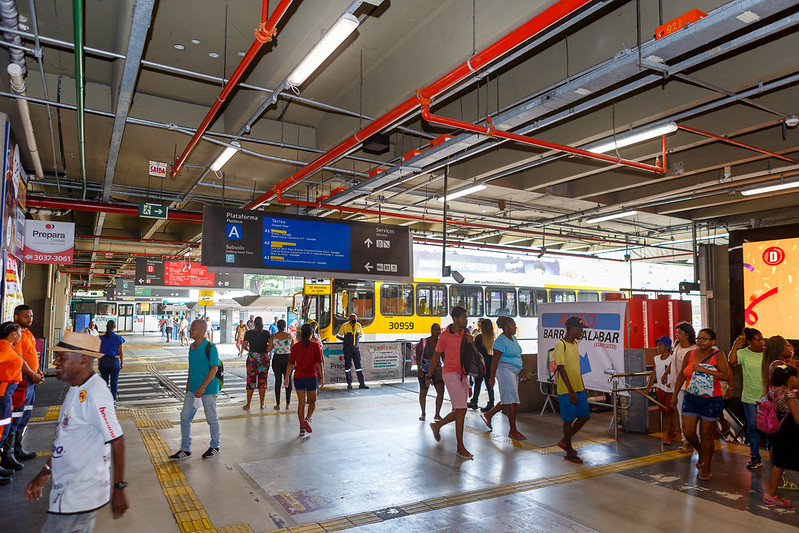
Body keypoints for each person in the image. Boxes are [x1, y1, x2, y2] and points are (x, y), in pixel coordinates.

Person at [25, 332, 128, 530]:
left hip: (80, 495)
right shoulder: (76, 388)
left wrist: (119, 488)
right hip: (69, 491)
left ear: (83, 360)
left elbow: (117, 440)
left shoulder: (95, 393)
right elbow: (67, 440)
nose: (56, 362)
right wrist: (46, 471)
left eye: (62, 358)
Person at [671, 328, 732, 481]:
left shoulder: (718, 355)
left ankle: (707, 466)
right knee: (688, 432)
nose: (700, 341)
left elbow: (725, 375)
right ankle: (701, 452)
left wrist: (704, 370)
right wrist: (674, 396)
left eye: (704, 339)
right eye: (699, 338)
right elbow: (681, 376)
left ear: (713, 341)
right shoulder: (689, 354)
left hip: (711, 400)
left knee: (706, 434)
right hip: (691, 398)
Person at [426, 306, 474, 459]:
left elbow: (470, 355)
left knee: (460, 410)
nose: (466, 320)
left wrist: (471, 342)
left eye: (466, 318)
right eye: (463, 318)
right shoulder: (445, 336)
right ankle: (460, 447)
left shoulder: (467, 333)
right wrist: (429, 375)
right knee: (461, 409)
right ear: (455, 319)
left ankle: (437, 425)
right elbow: (436, 356)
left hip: (463, 374)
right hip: (450, 373)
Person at [170, 319, 221, 460]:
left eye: (193, 328)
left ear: (201, 330)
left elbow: (214, 369)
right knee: (185, 417)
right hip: (192, 390)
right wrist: (188, 387)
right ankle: (185, 449)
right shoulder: (191, 347)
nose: (190, 330)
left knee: (211, 418)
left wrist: (202, 387)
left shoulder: (210, 347)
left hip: (208, 390)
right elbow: (191, 369)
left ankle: (215, 446)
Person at [481, 316, 531, 440]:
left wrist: (523, 372)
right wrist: (492, 378)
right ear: (506, 327)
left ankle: (488, 414)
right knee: (512, 399)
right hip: (505, 370)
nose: (515, 327)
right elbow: (495, 360)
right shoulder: (500, 340)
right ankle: (512, 430)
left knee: (508, 399)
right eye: (513, 325)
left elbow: (518, 356)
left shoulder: (513, 338)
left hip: (514, 371)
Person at [8, 304, 44, 466]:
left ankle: (18, 448)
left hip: (30, 381)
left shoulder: (28, 334)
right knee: (16, 415)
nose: (30, 319)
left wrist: (38, 371)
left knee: (25, 414)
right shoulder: (16, 335)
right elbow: (19, 359)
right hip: (22, 380)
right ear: (16, 317)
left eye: (31, 316)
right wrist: (32, 374)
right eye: (26, 316)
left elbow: (31, 356)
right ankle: (8, 453)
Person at [554, 316, 591, 464]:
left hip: (578, 388)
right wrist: (570, 391)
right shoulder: (560, 345)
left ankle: (565, 441)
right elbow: (561, 368)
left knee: (585, 415)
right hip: (566, 390)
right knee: (568, 420)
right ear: (573, 329)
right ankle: (569, 450)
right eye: (581, 329)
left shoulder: (575, 344)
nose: (582, 332)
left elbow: (577, 368)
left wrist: (582, 386)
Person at [728, 327, 766, 470]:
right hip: (749, 397)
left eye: (762, 339)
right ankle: (755, 456)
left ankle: (774, 456)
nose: (761, 342)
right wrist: (736, 345)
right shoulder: (743, 353)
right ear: (749, 341)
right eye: (758, 340)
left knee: (769, 428)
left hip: (766, 398)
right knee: (752, 427)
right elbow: (732, 361)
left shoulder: (767, 353)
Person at [762, 364, 799, 506]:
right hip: (787, 433)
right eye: (797, 377)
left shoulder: (773, 390)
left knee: (779, 463)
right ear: (791, 378)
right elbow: (797, 418)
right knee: (780, 464)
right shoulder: (789, 395)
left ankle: (770, 494)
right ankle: (770, 494)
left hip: (776, 431)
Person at [285, 323, 324, 436]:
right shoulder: (315, 346)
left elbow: (290, 364)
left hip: (298, 378)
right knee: (313, 401)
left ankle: (302, 427)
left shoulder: (296, 347)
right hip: (311, 377)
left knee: (301, 403)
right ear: (311, 333)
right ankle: (308, 419)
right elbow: (319, 363)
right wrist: (322, 377)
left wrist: (287, 377)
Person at [644, 336, 679, 445]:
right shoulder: (656, 358)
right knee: (664, 411)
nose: (658, 347)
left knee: (668, 412)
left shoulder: (672, 359)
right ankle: (670, 431)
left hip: (670, 390)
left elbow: (676, 374)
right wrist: (648, 388)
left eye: (661, 345)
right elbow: (653, 374)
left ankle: (666, 435)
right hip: (660, 389)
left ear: (667, 347)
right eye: (657, 345)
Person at [0, 321, 23, 485]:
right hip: (3, 391)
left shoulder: (9, 347)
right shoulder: (4, 348)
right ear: (13, 333)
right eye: (19, 332)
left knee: (4, 427)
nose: (20, 335)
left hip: (8, 391)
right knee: (1, 429)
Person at [670, 321, 697, 454]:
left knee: (692, 415)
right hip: (677, 386)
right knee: (681, 414)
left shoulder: (694, 350)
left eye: (680, 333)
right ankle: (686, 441)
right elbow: (673, 363)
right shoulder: (677, 346)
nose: (677, 335)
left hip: (690, 387)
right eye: (677, 333)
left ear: (687, 334)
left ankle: (694, 442)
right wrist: (666, 374)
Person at [416, 323, 444, 421]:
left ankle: (437, 414)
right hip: (424, 370)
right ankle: (423, 413)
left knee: (441, 392)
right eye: (436, 330)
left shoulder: (441, 342)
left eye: (439, 330)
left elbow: (443, 357)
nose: (438, 332)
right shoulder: (424, 342)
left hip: (437, 369)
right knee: (423, 391)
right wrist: (419, 369)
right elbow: (418, 355)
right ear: (431, 331)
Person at [242, 317, 271, 410]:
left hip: (252, 358)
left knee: (250, 380)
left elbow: (244, 346)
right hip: (264, 359)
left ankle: (248, 404)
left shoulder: (249, 333)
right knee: (262, 381)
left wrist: (250, 350)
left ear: (254, 324)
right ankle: (262, 404)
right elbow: (270, 345)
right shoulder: (266, 333)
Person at [336, 313, 368, 389]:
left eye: (356, 319)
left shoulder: (358, 325)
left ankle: (362, 383)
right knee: (348, 367)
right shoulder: (345, 326)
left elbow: (360, 335)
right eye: (353, 319)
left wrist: (355, 340)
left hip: (356, 349)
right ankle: (349, 383)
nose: (355, 320)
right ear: (349, 319)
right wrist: (345, 340)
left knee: (358, 366)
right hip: (347, 349)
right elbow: (338, 336)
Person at [268, 319, 294, 411]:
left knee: (278, 380)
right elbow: (293, 349)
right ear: (285, 326)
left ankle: (278, 404)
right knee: (288, 379)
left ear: (277, 326)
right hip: (288, 359)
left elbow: (268, 349)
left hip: (277, 359)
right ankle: (288, 404)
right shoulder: (289, 336)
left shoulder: (273, 336)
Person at [472, 318, 496, 412]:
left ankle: (474, 401)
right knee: (489, 384)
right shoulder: (493, 338)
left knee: (478, 383)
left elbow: (474, 349)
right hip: (490, 363)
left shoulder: (479, 337)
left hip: (481, 364)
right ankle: (491, 402)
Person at [99, 320, 125, 401]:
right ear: (115, 327)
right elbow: (121, 352)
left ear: (106, 327)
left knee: (104, 383)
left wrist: (99, 362)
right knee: (114, 383)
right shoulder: (118, 338)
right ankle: (113, 401)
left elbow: (99, 351)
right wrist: (122, 363)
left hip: (103, 361)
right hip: (114, 361)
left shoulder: (101, 338)